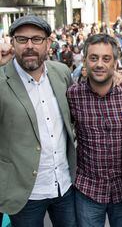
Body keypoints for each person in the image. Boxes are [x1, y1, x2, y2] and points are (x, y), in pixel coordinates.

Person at [0, 15, 76, 227]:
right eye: (22, 39)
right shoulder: (1, 80)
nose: (30, 46)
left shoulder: (61, 72)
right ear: (12, 42)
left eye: (37, 39)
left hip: (64, 185)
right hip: (24, 192)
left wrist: (116, 79)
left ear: (48, 43)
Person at [67, 34, 122, 227]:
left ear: (116, 62)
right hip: (88, 189)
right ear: (85, 60)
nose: (99, 64)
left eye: (106, 58)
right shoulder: (73, 95)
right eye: (93, 58)